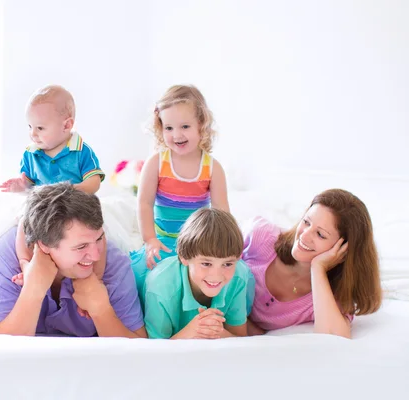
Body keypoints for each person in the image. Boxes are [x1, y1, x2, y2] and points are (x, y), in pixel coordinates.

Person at [0, 183, 146, 338]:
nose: (96, 255)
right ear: (44, 245)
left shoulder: (115, 264)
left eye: (99, 239)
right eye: (81, 247)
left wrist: (101, 310)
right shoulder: (8, 255)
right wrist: (33, 290)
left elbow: (142, 351)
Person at [0, 85, 105, 286]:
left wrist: (69, 191)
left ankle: (94, 278)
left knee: (96, 233)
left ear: (66, 125)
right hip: (43, 207)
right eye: (30, 127)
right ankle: (26, 265)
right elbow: (30, 183)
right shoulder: (31, 153)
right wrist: (21, 185)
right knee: (23, 224)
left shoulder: (81, 151)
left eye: (40, 128)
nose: (33, 134)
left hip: (74, 205)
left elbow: (94, 182)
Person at [131, 85, 230, 298]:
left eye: (185, 126)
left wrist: (223, 248)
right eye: (168, 128)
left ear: (201, 124)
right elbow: (144, 204)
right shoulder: (156, 163)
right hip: (163, 241)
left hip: (198, 245)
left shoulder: (213, 168)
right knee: (139, 275)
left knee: (224, 278)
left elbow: (222, 214)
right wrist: (150, 240)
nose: (176, 135)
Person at [243, 189, 382, 339]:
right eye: (306, 222)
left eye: (320, 234)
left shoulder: (329, 294)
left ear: (344, 250)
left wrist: (318, 268)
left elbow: (334, 339)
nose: (305, 235)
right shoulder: (260, 236)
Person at [142, 208, 254, 339]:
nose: (216, 275)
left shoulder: (238, 276)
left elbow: (240, 338)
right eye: (206, 264)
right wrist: (191, 331)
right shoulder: (160, 288)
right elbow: (155, 352)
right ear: (184, 257)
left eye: (227, 264)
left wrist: (220, 333)